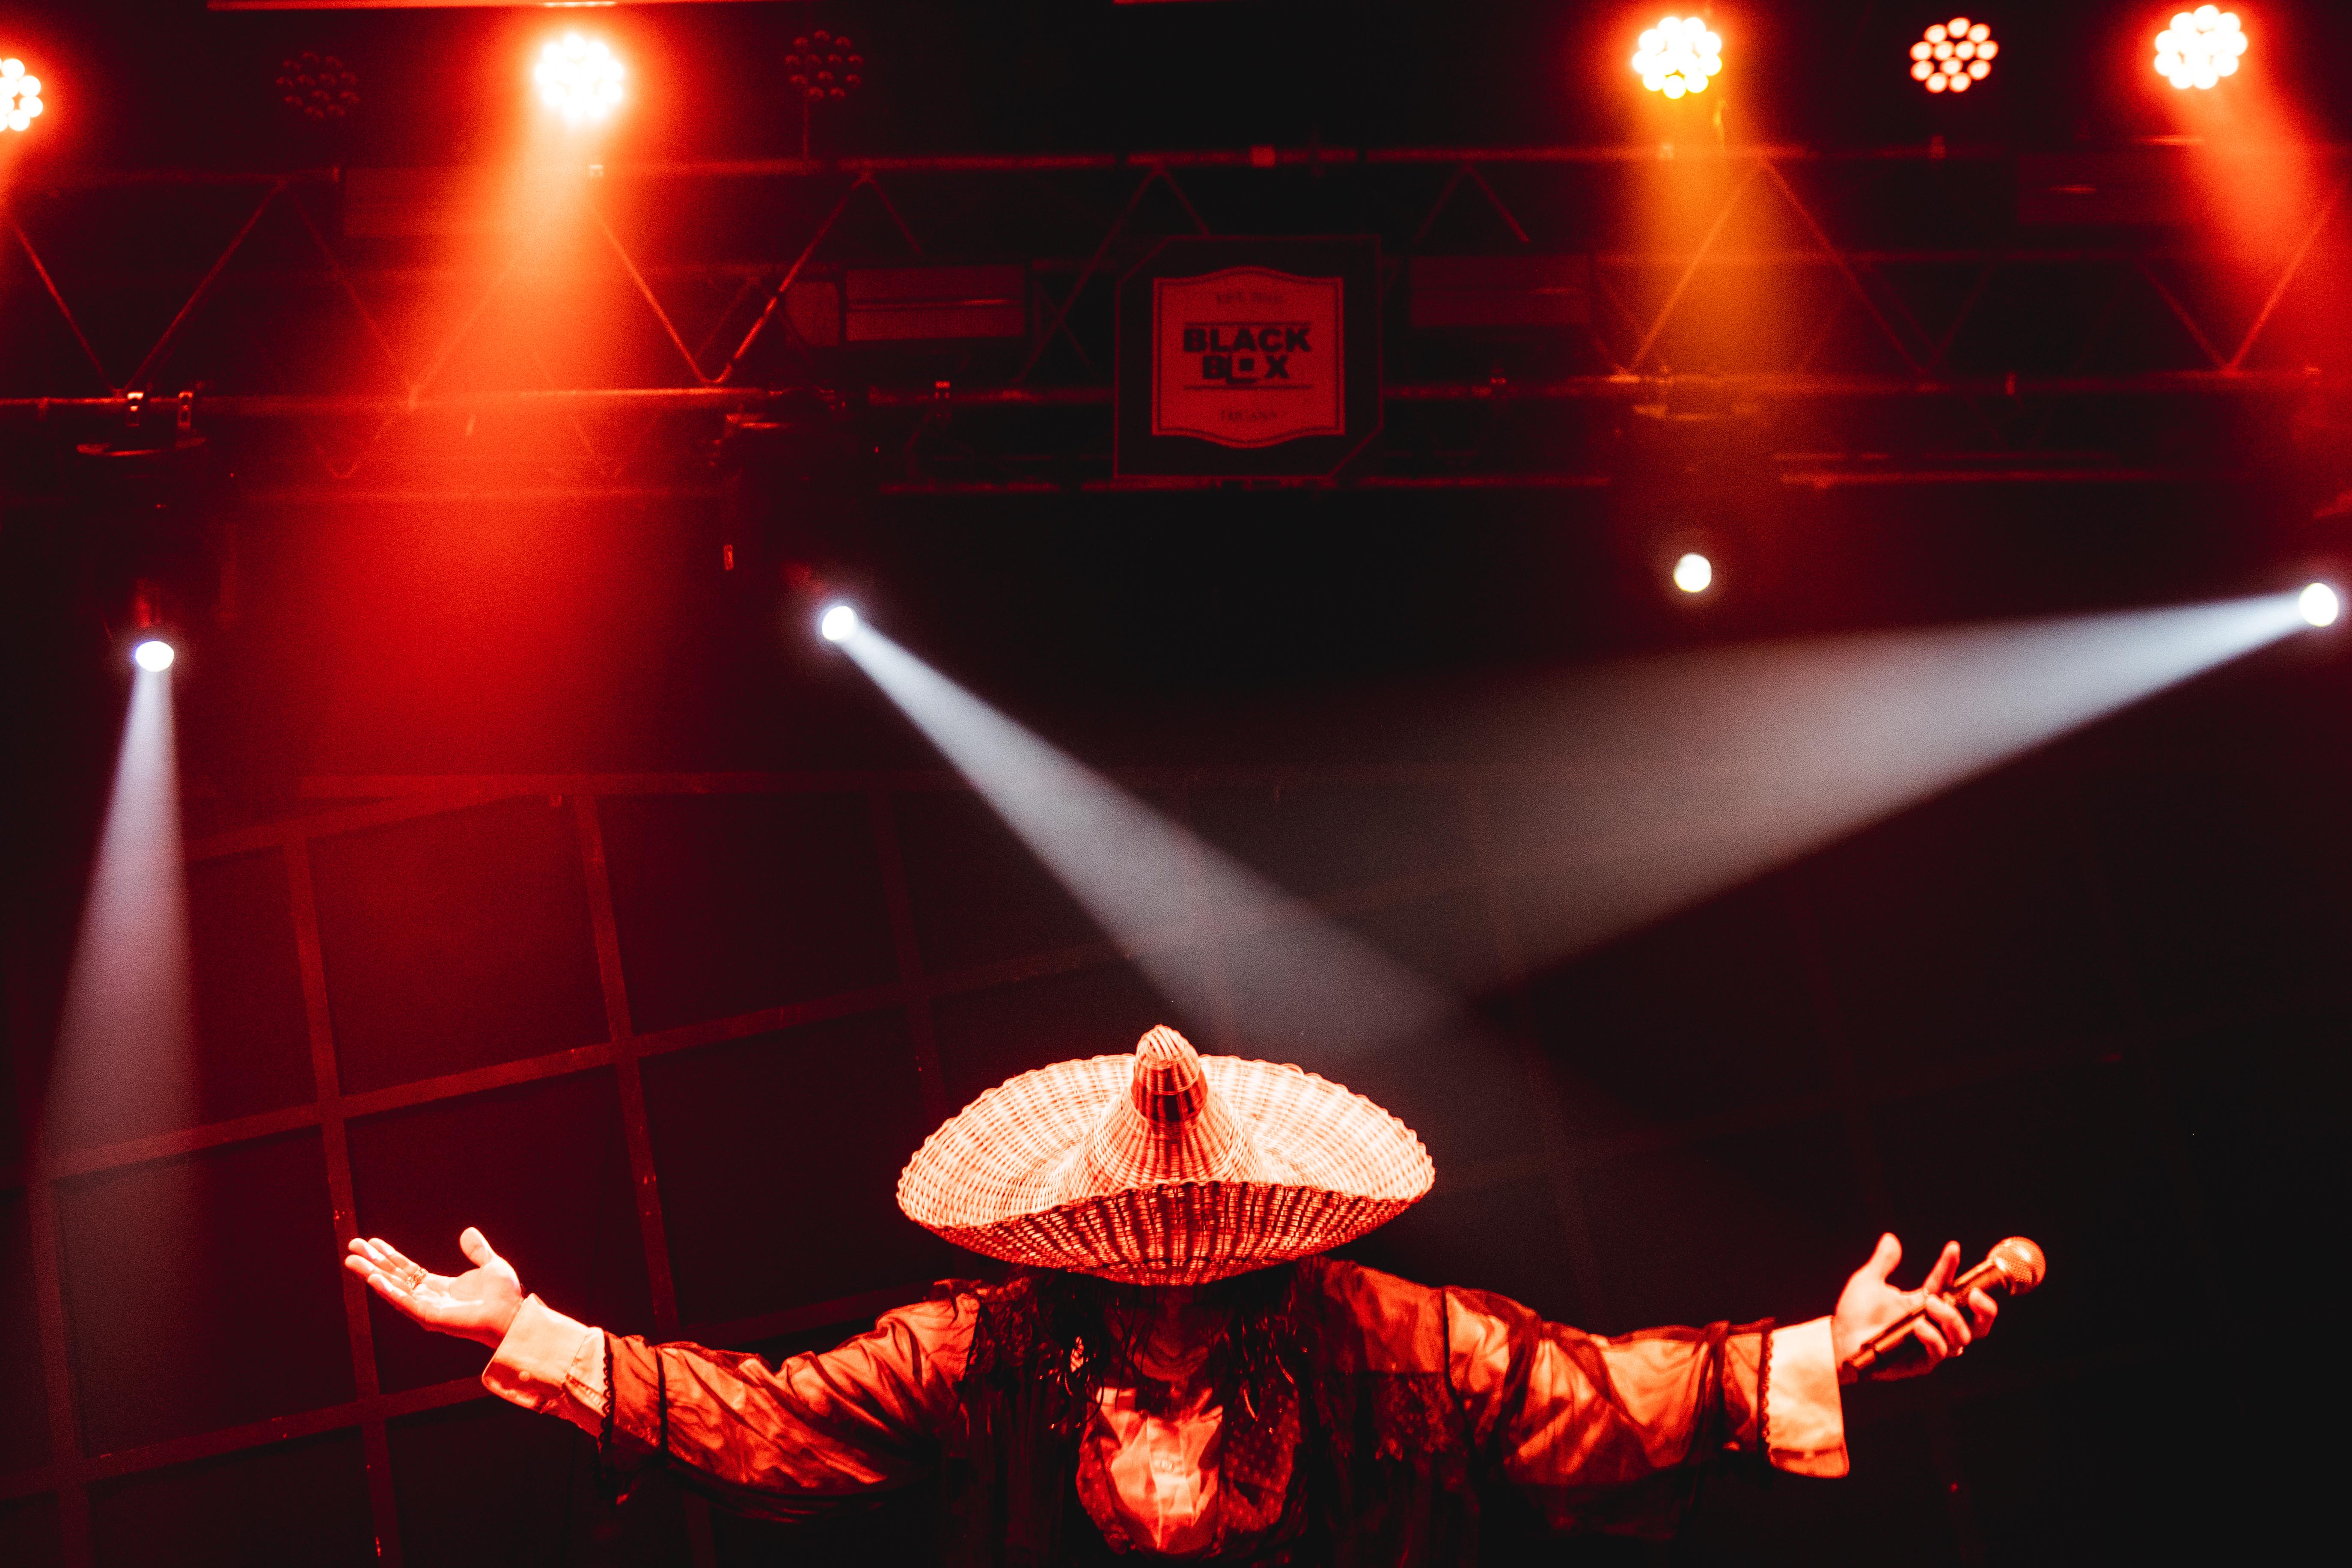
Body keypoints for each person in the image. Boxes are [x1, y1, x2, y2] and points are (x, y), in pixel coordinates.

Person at [346, 1025, 1998, 1564]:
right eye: (1138, 1286)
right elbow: (778, 1423)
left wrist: (1817, 1356)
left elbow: (1591, 1396)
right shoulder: (981, 1354)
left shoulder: (1385, 1345)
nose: (1169, 1317)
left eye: (1210, 1286)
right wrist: (539, 1340)